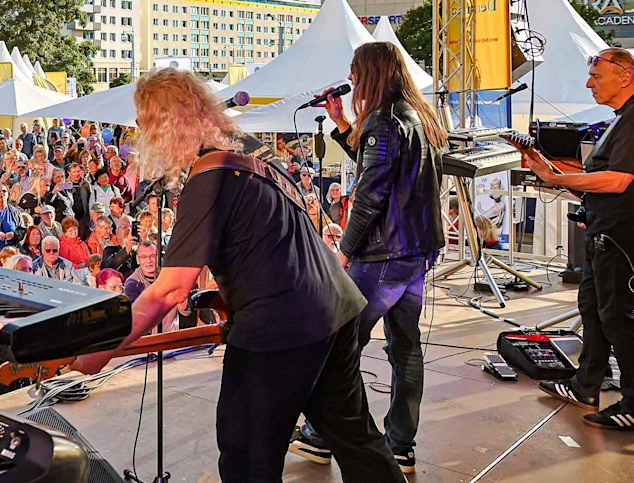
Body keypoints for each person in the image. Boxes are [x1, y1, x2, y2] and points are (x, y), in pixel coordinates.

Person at [71, 67, 401, 483]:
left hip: (281, 327)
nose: (140, 134)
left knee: (246, 458)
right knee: (356, 439)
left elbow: (170, 290)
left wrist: (98, 351)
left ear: (165, 123)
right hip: (335, 306)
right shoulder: (250, 149)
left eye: (144, 122)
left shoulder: (208, 178)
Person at [289, 42, 447, 474]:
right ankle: (401, 443)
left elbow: (371, 195)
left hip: (382, 256)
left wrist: (344, 251)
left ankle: (322, 436)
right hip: (415, 253)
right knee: (406, 348)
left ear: (370, 73)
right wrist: (341, 124)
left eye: (355, 70)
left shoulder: (383, 121)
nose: (351, 78)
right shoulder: (418, 116)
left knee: (339, 345)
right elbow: (384, 169)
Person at [523, 49, 634, 431]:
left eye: (596, 76)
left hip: (622, 235)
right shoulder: (627, 119)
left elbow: (619, 180)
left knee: (616, 316)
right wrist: (553, 171)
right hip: (608, 231)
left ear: (625, 76)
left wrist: (557, 179)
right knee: (594, 309)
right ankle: (586, 385)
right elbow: (605, 179)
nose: (589, 83)